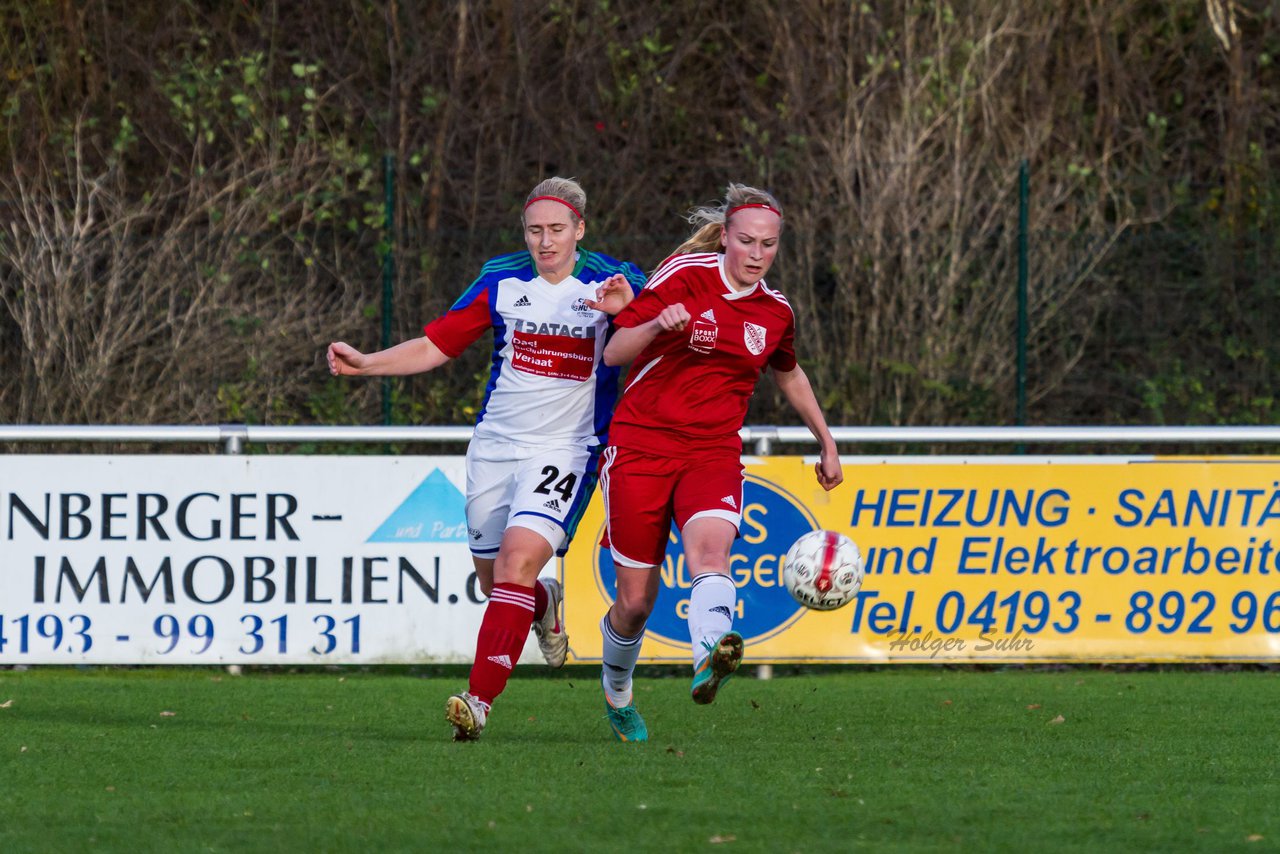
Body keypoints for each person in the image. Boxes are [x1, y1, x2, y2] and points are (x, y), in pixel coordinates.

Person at [327, 177, 644, 740]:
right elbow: (436, 344)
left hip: (566, 452)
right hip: (495, 449)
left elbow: (660, 333)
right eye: (534, 231)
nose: (545, 242)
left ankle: (478, 702)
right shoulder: (501, 280)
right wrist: (366, 363)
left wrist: (631, 311)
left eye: (556, 230)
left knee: (515, 565)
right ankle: (544, 600)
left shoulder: (614, 281)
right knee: (494, 583)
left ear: (580, 230)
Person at [596, 183, 843, 742]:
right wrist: (660, 325)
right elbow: (614, 352)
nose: (757, 255)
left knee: (711, 553)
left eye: (769, 245)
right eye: (747, 242)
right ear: (726, 237)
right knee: (635, 604)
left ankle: (709, 653)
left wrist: (825, 441)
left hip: (712, 452)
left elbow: (789, 373)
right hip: (640, 446)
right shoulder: (684, 276)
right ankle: (617, 693)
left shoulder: (775, 312)